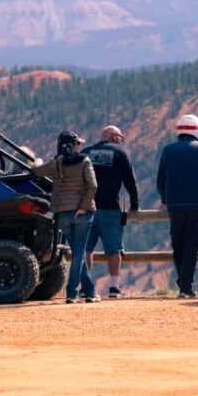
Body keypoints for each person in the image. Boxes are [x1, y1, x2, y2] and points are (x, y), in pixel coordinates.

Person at [156, 114, 198, 299]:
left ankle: (182, 283)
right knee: (192, 245)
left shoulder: (168, 150)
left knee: (178, 244)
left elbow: (161, 179)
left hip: (175, 205)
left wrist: (164, 199)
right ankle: (186, 286)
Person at [33, 131, 100, 304]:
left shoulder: (57, 163)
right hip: (83, 214)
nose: (79, 146)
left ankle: (91, 292)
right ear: (74, 145)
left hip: (62, 213)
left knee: (78, 252)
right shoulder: (85, 161)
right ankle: (72, 293)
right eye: (78, 143)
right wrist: (84, 207)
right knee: (79, 253)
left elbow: (37, 171)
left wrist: (38, 162)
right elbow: (93, 186)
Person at [82, 125, 139, 299]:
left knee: (86, 248)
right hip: (110, 208)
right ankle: (114, 288)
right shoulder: (120, 153)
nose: (121, 141)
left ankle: (85, 287)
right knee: (114, 249)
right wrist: (134, 204)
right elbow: (130, 181)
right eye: (121, 137)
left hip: (87, 207)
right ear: (114, 137)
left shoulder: (86, 152)